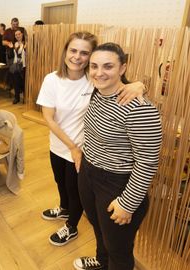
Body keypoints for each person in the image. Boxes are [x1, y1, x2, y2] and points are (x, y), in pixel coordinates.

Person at [73, 42, 162, 270]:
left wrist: (128, 203)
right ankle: (102, 263)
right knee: (99, 229)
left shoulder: (140, 108)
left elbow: (148, 161)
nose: (99, 72)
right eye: (94, 66)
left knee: (118, 249)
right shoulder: (97, 92)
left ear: (122, 68)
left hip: (117, 184)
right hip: (89, 174)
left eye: (108, 66)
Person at [7, 28, 26, 104]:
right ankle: (16, 97)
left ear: (22, 34)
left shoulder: (26, 43)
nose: (18, 36)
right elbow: (11, 56)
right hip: (16, 66)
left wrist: (26, 49)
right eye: (16, 35)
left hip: (24, 66)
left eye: (19, 34)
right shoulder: (15, 44)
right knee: (15, 82)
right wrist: (11, 48)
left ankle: (25, 98)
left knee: (24, 82)